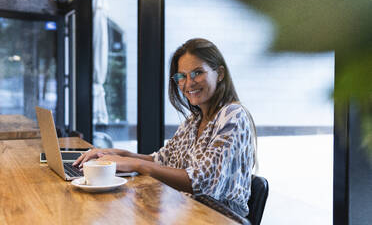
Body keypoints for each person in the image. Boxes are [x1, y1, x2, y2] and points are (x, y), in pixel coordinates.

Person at [73, 38, 257, 217]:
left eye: (197, 72)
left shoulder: (233, 115)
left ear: (220, 74)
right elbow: (161, 160)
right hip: (186, 211)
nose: (188, 83)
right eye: (181, 76)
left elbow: (201, 182)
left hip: (217, 218)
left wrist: (135, 163)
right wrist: (115, 154)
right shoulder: (193, 121)